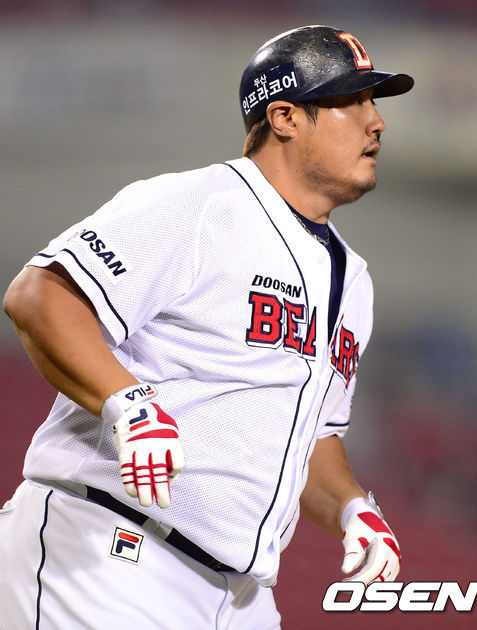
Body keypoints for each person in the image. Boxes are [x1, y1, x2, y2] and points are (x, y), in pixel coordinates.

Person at [1, 24, 413, 629]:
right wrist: (128, 405)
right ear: (284, 117)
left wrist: (352, 507)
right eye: (352, 101)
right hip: (110, 550)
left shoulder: (354, 281)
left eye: (373, 102)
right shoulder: (200, 204)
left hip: (240, 594)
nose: (376, 122)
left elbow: (312, 438)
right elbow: (40, 296)